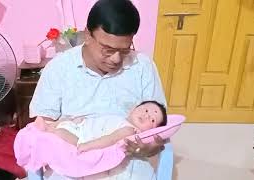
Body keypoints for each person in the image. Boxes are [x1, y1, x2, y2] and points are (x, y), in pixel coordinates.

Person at [23, 0, 173, 179]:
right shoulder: (58, 68)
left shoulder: (142, 67)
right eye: (107, 49)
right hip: (73, 159)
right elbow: (43, 127)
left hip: (127, 161)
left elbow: (159, 124)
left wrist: (151, 146)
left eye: (124, 50)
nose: (116, 59)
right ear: (87, 35)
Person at [35, 101, 167, 154]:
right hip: (82, 126)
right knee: (65, 120)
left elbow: (110, 139)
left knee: (60, 133)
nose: (147, 115)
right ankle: (48, 126)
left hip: (83, 137)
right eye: (145, 109)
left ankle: (47, 131)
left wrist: (87, 146)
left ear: (152, 130)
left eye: (152, 119)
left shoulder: (128, 130)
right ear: (134, 108)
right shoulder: (121, 119)